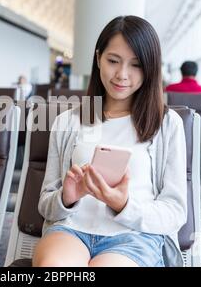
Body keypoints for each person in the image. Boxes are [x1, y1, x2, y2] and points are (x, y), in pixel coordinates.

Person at [33, 16, 187, 267]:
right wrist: (67, 197)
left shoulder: (166, 124)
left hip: (134, 237)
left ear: (151, 69)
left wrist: (123, 204)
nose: (122, 75)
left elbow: (174, 213)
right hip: (71, 230)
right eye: (113, 61)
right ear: (98, 58)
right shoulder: (67, 122)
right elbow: (46, 205)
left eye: (136, 65)